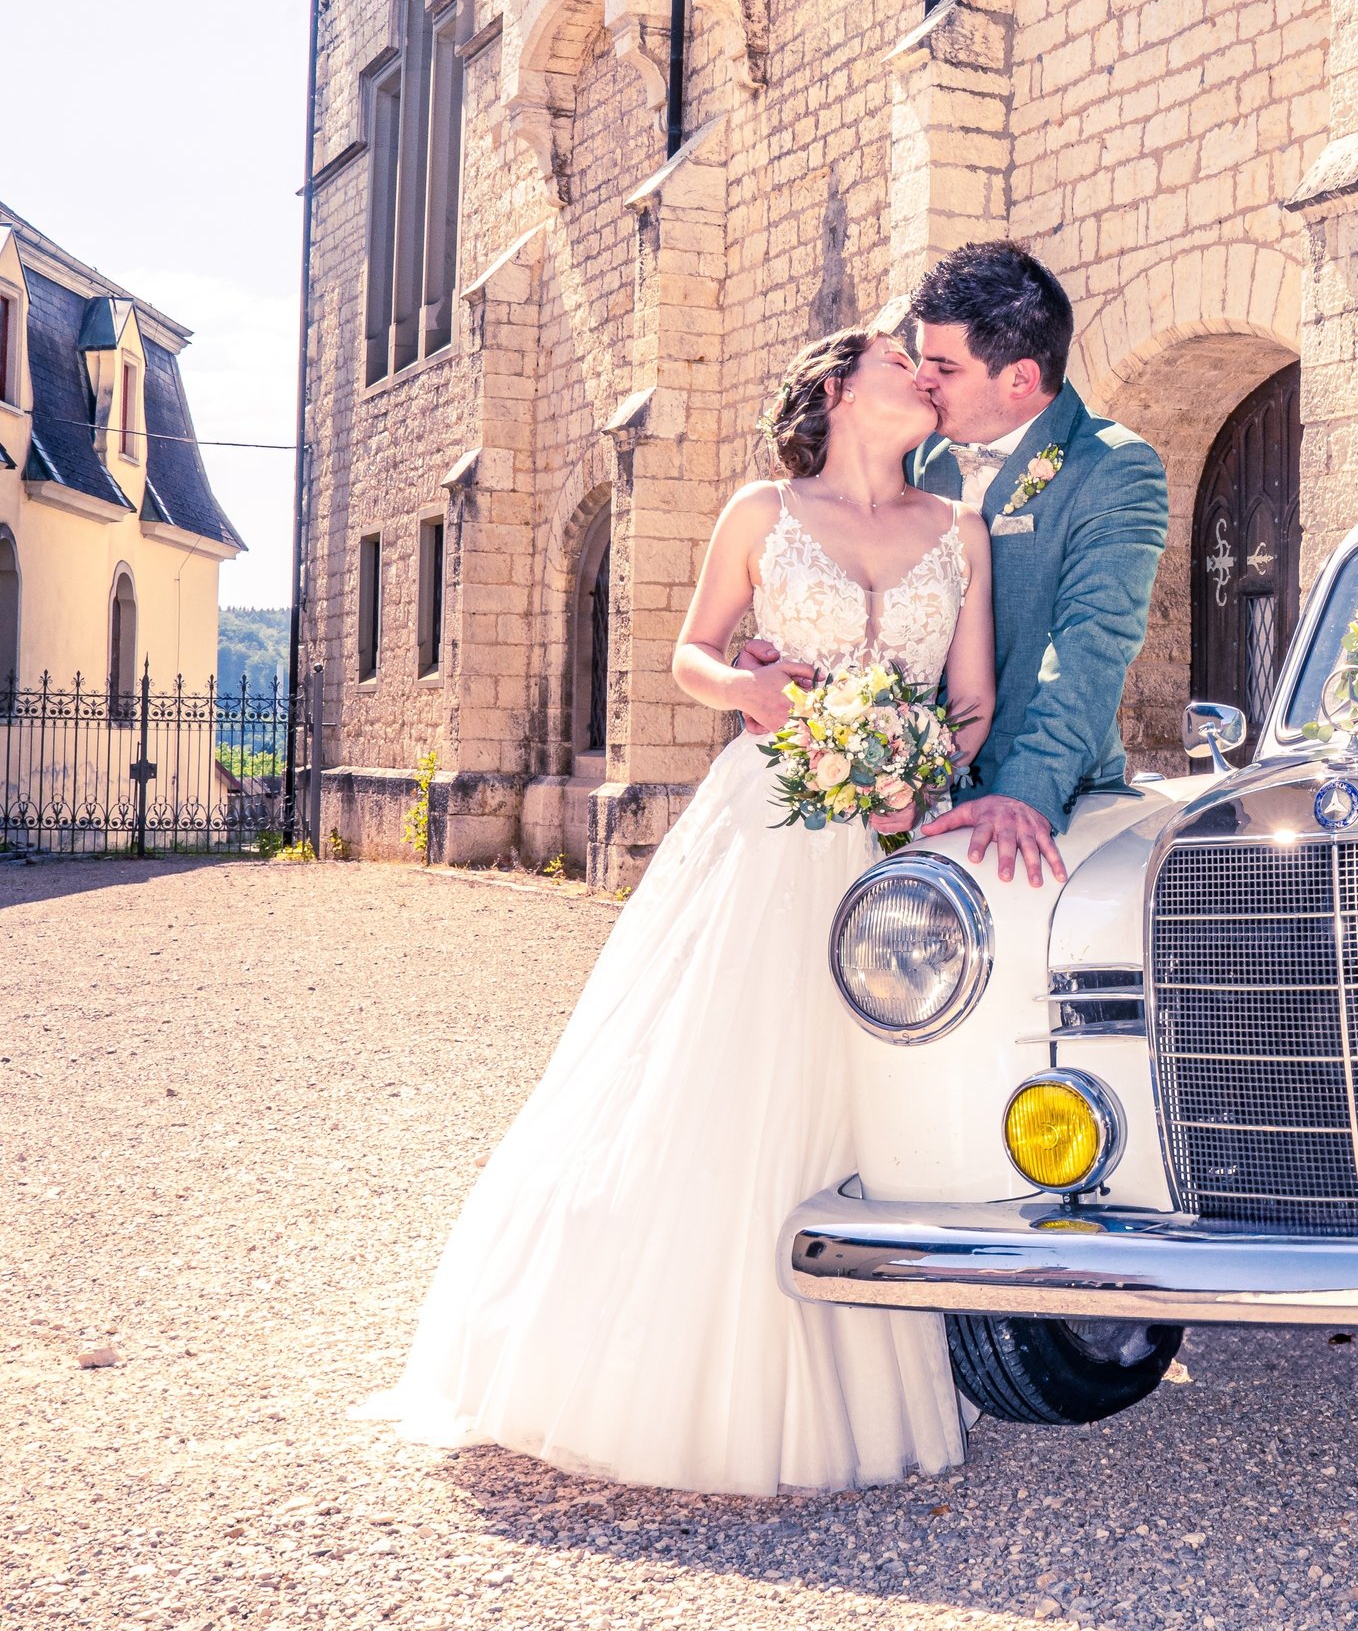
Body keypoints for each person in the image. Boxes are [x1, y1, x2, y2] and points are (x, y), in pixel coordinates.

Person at [360, 330, 988, 1497]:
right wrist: (749, 686)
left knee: (877, 1081)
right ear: (841, 386)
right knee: (724, 1073)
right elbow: (689, 656)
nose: (926, 371)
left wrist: (919, 769)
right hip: (771, 820)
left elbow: (972, 696)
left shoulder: (959, 533)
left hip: (898, 830)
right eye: (903, 357)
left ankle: (865, 1356)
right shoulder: (761, 509)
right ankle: (663, 1370)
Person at [906, 242, 1169, 886]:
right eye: (920, 358)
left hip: (1042, 806)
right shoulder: (920, 461)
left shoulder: (1113, 468)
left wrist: (1026, 793)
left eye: (944, 366)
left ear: (1021, 378)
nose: (921, 380)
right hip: (894, 794)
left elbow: (1092, 645)